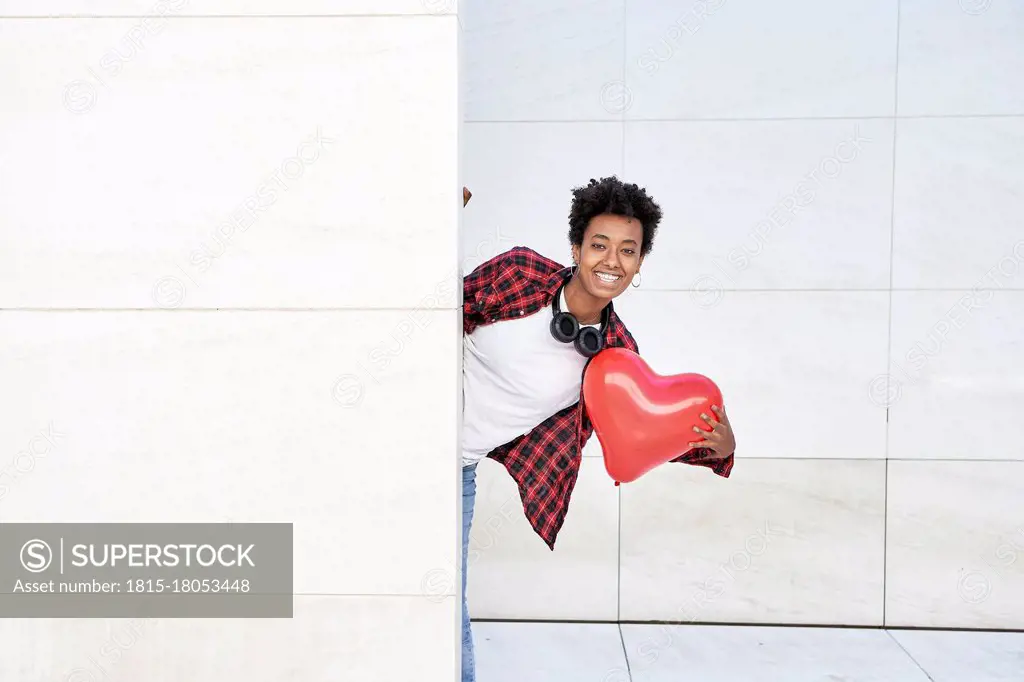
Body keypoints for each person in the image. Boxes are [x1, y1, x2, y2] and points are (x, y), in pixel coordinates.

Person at [458, 176, 736, 682]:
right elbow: (435, 309)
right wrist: (430, 224)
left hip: (456, 474)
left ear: (640, 263)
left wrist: (720, 445)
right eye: (600, 245)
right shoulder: (518, 273)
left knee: (442, 604)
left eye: (628, 251)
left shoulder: (615, 358)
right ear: (576, 248)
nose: (612, 261)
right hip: (397, 437)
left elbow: (649, 428)